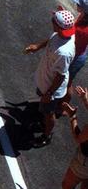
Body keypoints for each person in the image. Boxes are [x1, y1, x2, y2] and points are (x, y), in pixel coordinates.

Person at [24, 8, 76, 146]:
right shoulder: (62, 35)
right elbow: (52, 39)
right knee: (43, 107)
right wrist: (38, 46)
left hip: (50, 87)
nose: (51, 21)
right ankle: (43, 117)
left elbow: (60, 75)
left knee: (48, 113)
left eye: (53, 20)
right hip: (45, 81)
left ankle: (47, 135)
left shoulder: (64, 53)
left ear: (58, 27)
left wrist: (49, 93)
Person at [62, 85, 88, 189]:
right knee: (86, 182)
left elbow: (78, 138)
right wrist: (85, 99)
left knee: (67, 187)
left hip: (84, 162)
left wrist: (72, 116)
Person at [69, 0, 88, 84]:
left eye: (78, 4)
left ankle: (62, 98)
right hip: (81, 50)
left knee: (66, 82)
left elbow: (74, 45)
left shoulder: (83, 31)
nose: (76, 4)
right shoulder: (84, 16)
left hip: (76, 57)